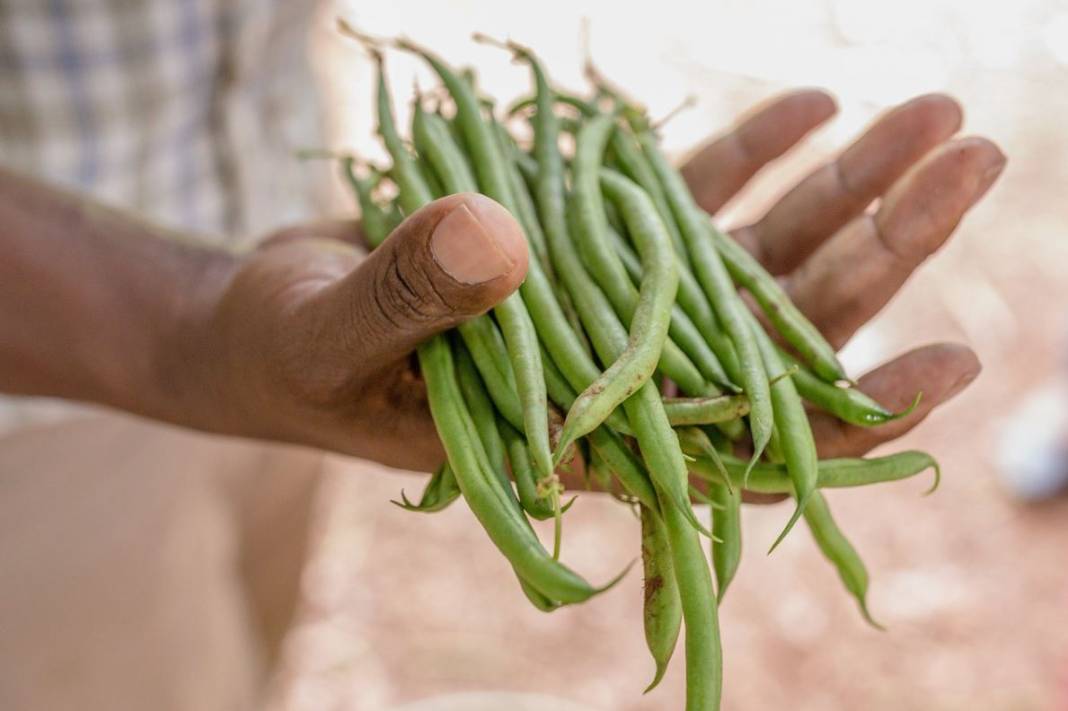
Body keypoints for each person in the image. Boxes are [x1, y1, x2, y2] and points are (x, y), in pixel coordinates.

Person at [0, 2, 1004, 710]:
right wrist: (185, 324)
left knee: (249, 654)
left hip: (285, 269)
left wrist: (218, 321)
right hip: (42, 411)